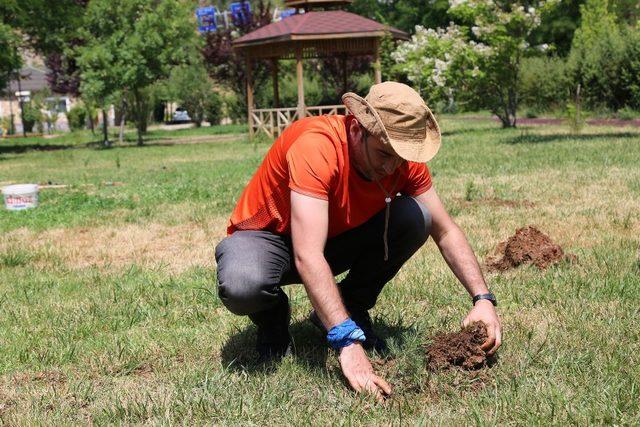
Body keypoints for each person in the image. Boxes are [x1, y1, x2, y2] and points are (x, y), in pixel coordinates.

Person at [215, 82, 502, 400]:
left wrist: (483, 299)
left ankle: (350, 306)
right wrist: (346, 342)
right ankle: (273, 319)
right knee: (243, 283)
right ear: (356, 128)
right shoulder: (317, 145)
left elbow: (445, 230)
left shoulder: (402, 159)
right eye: (383, 153)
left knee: (416, 217)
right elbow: (307, 254)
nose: (391, 166)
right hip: (270, 239)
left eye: (399, 157)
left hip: (332, 241)